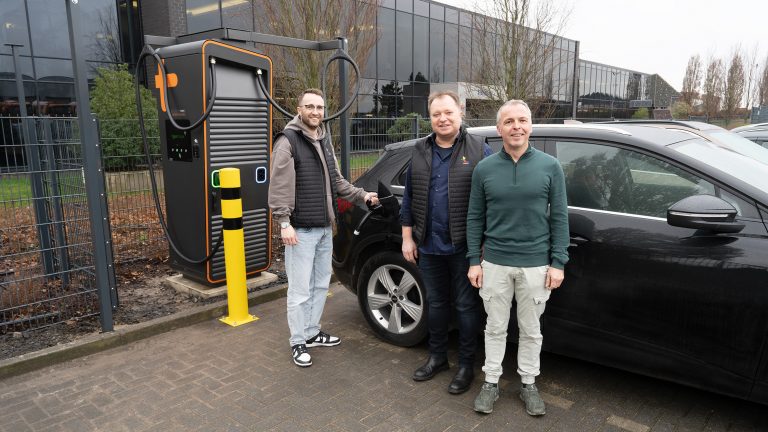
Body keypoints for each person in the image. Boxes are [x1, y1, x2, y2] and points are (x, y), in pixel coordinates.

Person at [466, 100, 569, 416]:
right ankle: (491, 381)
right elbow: (475, 217)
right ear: (499, 129)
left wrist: (558, 262)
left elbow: (560, 217)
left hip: (536, 264)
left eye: (522, 120)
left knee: (531, 329)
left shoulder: (550, 166)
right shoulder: (484, 169)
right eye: (509, 121)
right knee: (495, 327)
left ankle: (528, 384)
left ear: (530, 126)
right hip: (495, 262)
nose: (516, 126)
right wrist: (473, 260)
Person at [268, 88, 378, 367]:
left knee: (319, 286)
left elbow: (338, 183)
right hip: (300, 231)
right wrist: (284, 223)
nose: (315, 112)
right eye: (310, 106)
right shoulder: (288, 141)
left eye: (319, 107)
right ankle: (297, 342)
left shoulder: (323, 140)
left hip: (323, 229)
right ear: (298, 109)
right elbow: (279, 187)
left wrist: (363, 195)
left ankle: (312, 332)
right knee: (300, 290)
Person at [400, 91, 492, 394]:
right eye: (437, 113)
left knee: (466, 307)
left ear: (460, 112)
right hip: (428, 245)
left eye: (448, 113)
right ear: (430, 116)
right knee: (436, 304)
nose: (443, 119)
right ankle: (437, 357)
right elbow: (409, 197)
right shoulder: (420, 149)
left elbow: (492, 200)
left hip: (465, 248)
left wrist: (481, 249)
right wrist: (407, 238)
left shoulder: (479, 150)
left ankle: (466, 365)